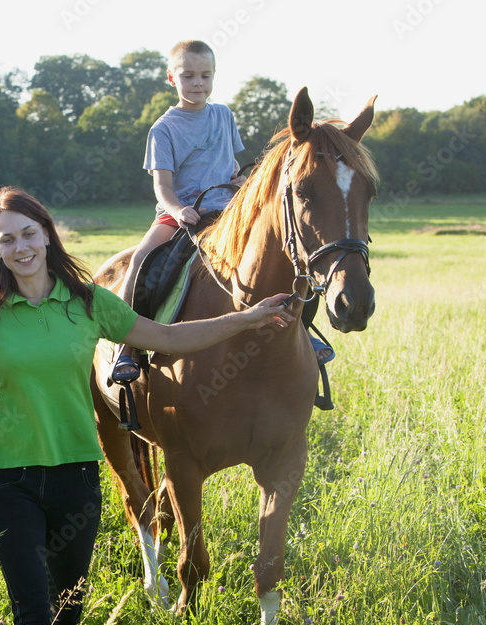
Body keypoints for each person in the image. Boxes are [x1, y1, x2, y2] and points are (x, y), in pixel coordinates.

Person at [0, 186, 292, 625]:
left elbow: (167, 337)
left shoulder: (89, 304)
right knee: (33, 623)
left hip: (77, 483)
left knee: (65, 624)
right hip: (9, 483)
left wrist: (246, 319)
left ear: (46, 235)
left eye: (28, 234)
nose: (20, 248)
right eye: (6, 240)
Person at [111, 39, 333, 384]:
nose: (197, 83)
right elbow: (162, 187)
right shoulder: (163, 129)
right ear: (172, 78)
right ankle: (128, 345)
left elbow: (228, 165)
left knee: (285, 251)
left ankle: (303, 329)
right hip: (182, 214)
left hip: (230, 210)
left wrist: (243, 182)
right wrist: (178, 209)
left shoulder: (223, 115)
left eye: (205, 75)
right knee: (141, 259)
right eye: (188, 76)